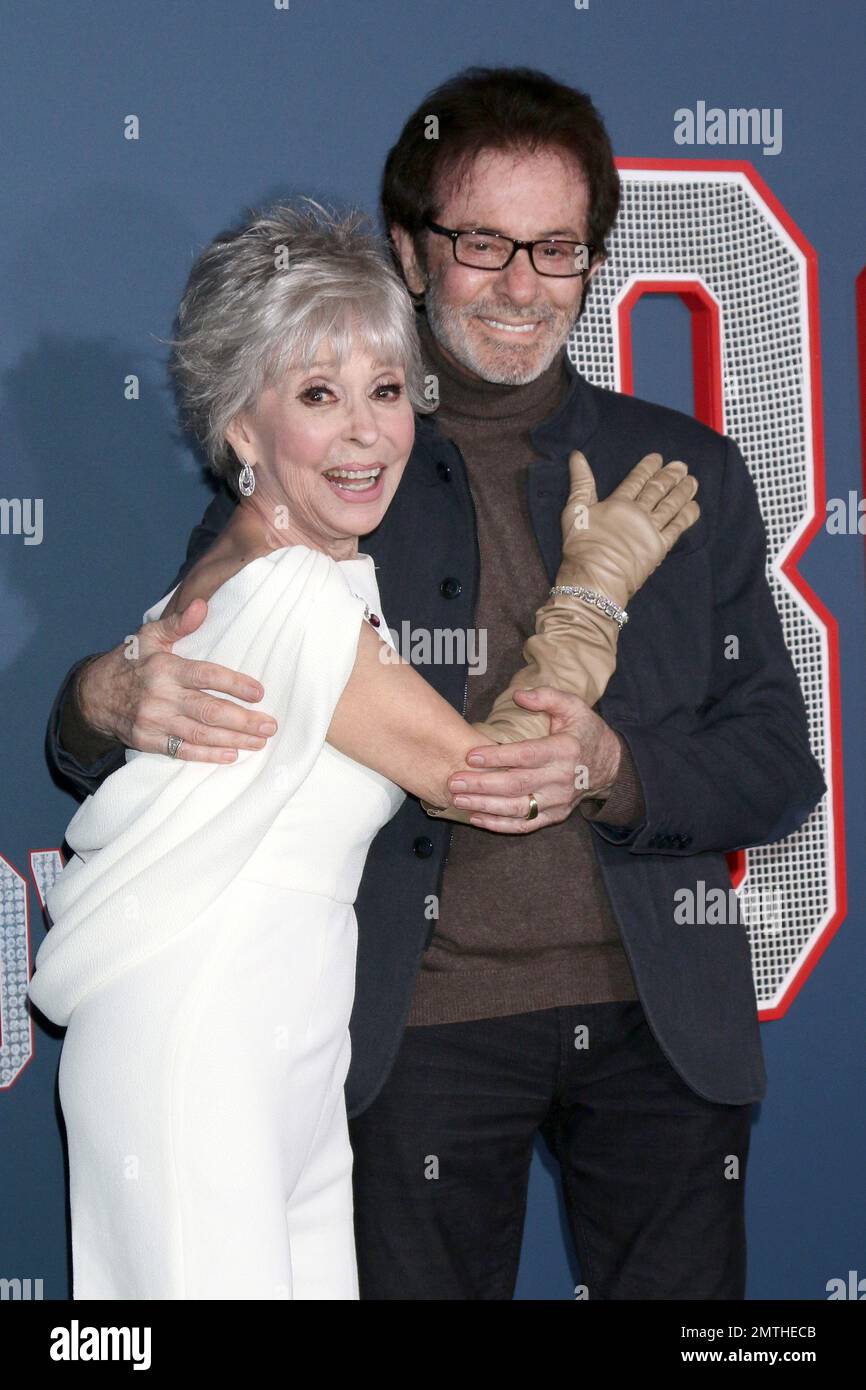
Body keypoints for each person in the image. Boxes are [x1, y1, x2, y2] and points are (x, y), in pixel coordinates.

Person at [45, 68, 825, 1300]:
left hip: (659, 1035)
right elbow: (161, 685)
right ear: (414, 252)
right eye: (481, 242)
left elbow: (779, 760)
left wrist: (620, 771)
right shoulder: (319, 501)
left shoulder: (682, 469)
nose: (521, 284)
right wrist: (98, 691)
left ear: (591, 258)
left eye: (555, 247)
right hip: (410, 1042)